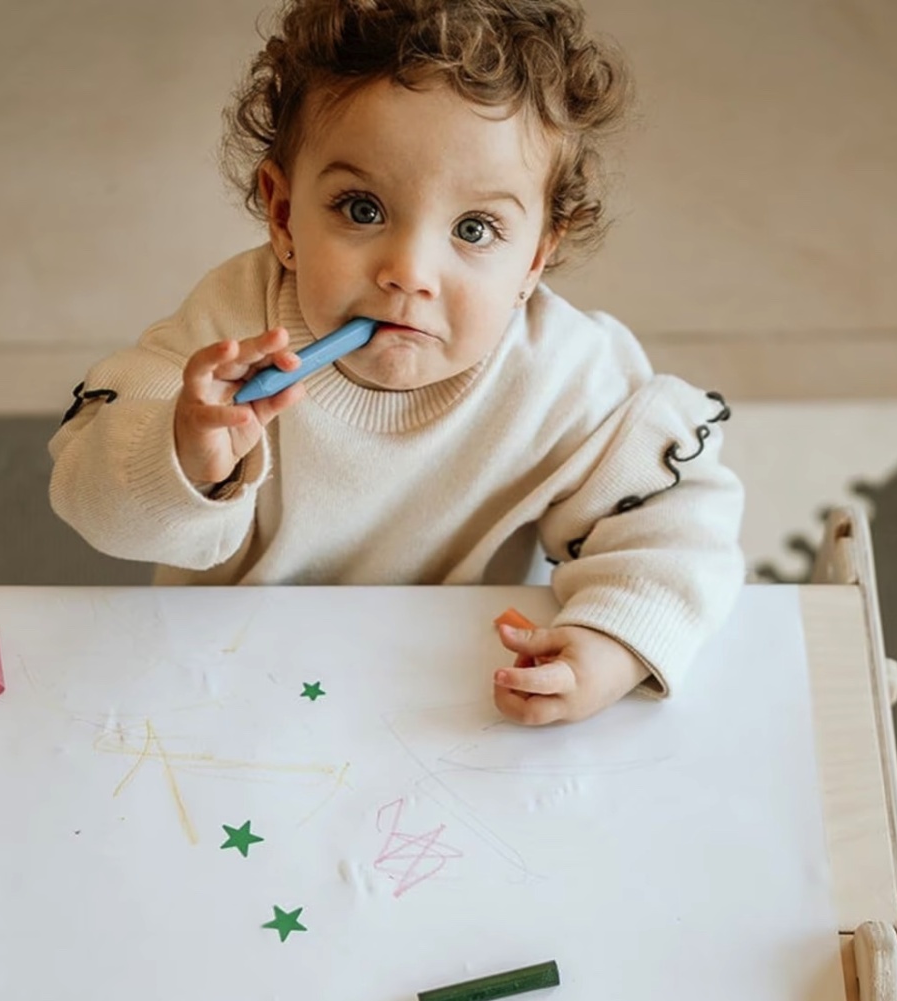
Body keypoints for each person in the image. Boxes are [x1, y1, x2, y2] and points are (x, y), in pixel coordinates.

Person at [49, 0, 744, 726]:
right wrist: (183, 456)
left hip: (449, 694)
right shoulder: (230, 328)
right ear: (283, 216)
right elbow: (95, 502)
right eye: (362, 209)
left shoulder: (565, 377)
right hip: (224, 680)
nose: (409, 272)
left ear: (536, 259)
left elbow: (677, 519)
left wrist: (614, 638)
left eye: (474, 228)